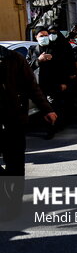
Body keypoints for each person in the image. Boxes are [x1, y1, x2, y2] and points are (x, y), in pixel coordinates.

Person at [0, 44, 56, 220]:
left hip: (13, 121)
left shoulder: (14, 59)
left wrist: (46, 109)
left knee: (15, 167)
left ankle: (13, 207)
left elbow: (32, 87)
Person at [27, 27, 75, 139]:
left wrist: (64, 82)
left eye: (46, 35)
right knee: (42, 107)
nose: (44, 37)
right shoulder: (32, 49)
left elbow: (63, 66)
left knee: (52, 105)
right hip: (38, 84)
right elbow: (28, 65)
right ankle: (50, 125)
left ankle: (51, 129)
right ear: (36, 37)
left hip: (53, 83)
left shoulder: (56, 48)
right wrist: (39, 60)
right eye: (41, 36)